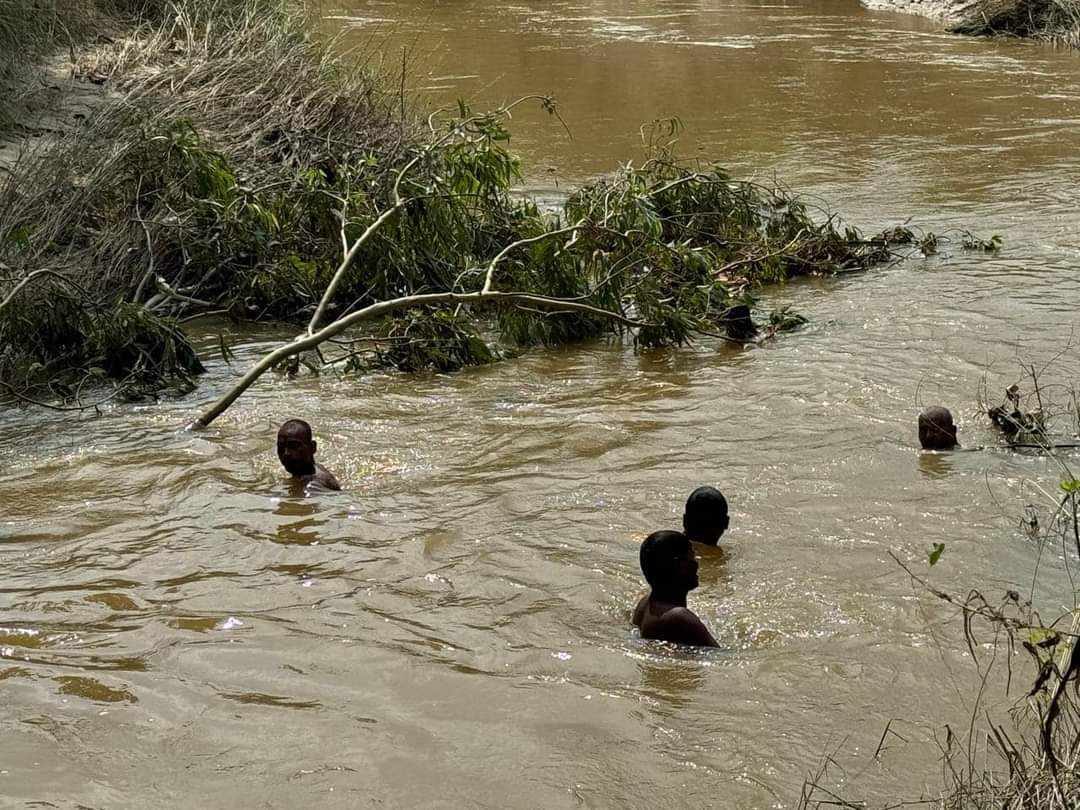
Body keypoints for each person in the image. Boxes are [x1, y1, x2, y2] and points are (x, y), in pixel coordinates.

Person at [631, 530, 718, 648]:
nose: (696, 563)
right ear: (680, 565)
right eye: (692, 556)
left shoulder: (645, 603)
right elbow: (722, 657)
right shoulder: (680, 618)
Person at [276, 419, 341, 490]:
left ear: (312, 447)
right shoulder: (308, 471)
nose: (286, 453)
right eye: (281, 446)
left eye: (294, 446)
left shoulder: (315, 486)